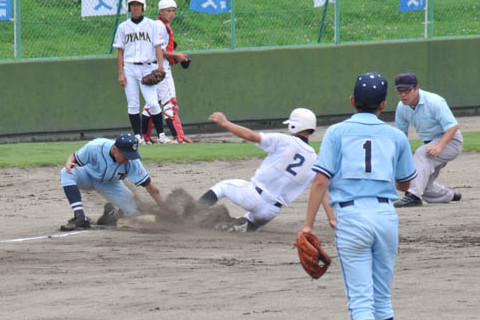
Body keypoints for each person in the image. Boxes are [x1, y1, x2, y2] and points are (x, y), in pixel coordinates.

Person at [301, 72, 417, 320]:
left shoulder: (336, 132)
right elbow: (406, 183)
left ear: (352, 100)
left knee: (361, 303)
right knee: (382, 300)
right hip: (386, 217)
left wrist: (308, 226)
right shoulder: (396, 136)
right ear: (383, 105)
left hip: (351, 218)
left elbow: (321, 180)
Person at [198, 108, 334, 232]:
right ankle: (243, 226)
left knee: (222, 187)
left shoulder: (283, 140)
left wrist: (226, 123)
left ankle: (192, 214)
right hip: (270, 211)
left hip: (252, 196)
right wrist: (332, 219)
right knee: (249, 221)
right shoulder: (315, 160)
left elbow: (250, 136)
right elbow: (322, 191)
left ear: (295, 125)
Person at [59, 133, 167, 231]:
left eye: (131, 155)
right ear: (115, 149)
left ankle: (112, 214)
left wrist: (164, 207)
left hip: (110, 185)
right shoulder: (95, 147)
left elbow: (150, 187)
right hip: (88, 176)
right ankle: (80, 218)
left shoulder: (133, 162)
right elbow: (74, 156)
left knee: (135, 211)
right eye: (126, 155)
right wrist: (69, 163)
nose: (128, 159)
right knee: (66, 173)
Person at [393, 72, 463, 207]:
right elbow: (401, 135)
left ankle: (413, 196)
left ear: (417, 88)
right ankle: (451, 195)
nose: (403, 95)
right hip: (431, 144)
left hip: (450, 141)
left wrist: (440, 146)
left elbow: (453, 126)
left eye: (407, 91)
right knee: (422, 184)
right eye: (399, 91)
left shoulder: (434, 101)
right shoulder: (402, 107)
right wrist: (400, 159)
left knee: (421, 153)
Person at [113, 0, 172, 145]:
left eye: (138, 5)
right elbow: (120, 52)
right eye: (133, 5)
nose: (135, 7)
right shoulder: (123, 27)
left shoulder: (152, 25)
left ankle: (161, 135)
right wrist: (121, 73)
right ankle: (138, 136)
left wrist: (160, 66)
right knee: (133, 103)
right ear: (129, 8)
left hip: (147, 67)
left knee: (152, 102)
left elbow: (158, 47)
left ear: (143, 7)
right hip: (130, 67)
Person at [141, 0, 192, 144]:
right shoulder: (160, 26)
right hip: (161, 69)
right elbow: (160, 51)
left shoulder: (159, 25)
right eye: (168, 11)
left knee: (152, 103)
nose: (171, 14)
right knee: (170, 103)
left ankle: (144, 136)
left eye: (173, 11)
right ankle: (178, 136)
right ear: (160, 12)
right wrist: (177, 56)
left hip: (154, 67)